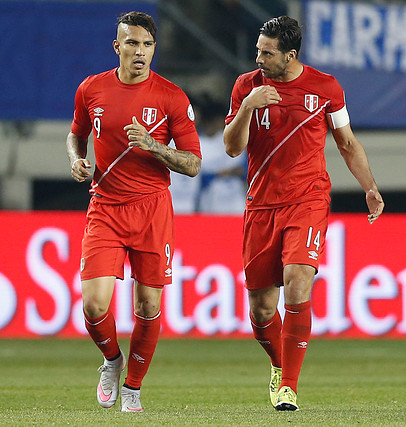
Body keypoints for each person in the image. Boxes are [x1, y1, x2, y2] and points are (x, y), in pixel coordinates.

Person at [222, 16, 384, 411]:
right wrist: (246, 108)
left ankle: (289, 386)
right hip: (260, 206)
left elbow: (346, 142)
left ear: (290, 55)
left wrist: (370, 187)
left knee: (298, 281)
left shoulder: (326, 88)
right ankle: (279, 366)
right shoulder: (247, 86)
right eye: (258, 50)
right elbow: (230, 148)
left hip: (307, 201)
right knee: (261, 310)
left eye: (266, 52)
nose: (257, 57)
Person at [66, 11, 201, 412]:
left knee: (148, 306)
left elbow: (193, 164)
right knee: (94, 304)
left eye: (146, 45)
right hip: (106, 206)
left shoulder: (171, 97)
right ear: (117, 47)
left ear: (153, 49)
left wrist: (154, 146)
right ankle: (111, 360)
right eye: (132, 43)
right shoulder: (91, 90)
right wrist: (76, 159)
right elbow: (76, 136)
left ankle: (133, 387)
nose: (139, 52)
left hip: (152, 210)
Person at [195, 96, 246, 214]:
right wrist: (218, 174)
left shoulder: (231, 139)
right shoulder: (198, 143)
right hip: (210, 199)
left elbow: (244, 169)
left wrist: (228, 173)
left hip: (234, 199)